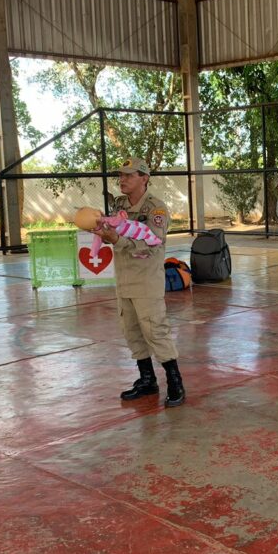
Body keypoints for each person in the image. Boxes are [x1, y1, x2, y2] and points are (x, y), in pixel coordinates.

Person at [95, 157, 185, 407]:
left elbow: (152, 242)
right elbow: (117, 232)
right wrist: (104, 233)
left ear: (144, 178)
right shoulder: (121, 204)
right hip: (124, 278)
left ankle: (175, 381)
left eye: (129, 175)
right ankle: (147, 380)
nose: (122, 180)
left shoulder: (156, 209)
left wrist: (116, 240)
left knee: (155, 330)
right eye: (121, 175)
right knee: (132, 331)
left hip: (146, 281)